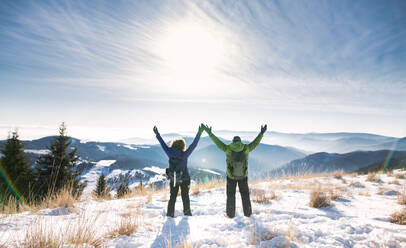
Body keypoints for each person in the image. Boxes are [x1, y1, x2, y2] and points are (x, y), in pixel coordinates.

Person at [202, 124, 267, 218]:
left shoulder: (228, 149)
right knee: (245, 195)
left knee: (230, 195)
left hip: (231, 177)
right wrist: (261, 133)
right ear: (240, 141)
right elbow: (255, 143)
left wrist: (210, 133)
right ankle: (248, 213)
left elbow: (217, 142)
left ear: (233, 141)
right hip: (243, 176)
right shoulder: (246, 148)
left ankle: (230, 214)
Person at [154, 124, 204, 217]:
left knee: (172, 197)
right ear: (182, 146)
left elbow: (162, 144)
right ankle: (187, 213)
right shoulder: (184, 155)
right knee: (185, 197)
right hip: (184, 179)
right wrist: (199, 133)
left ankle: (170, 214)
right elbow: (194, 145)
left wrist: (157, 134)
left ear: (173, 144)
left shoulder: (169, 152)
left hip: (173, 179)